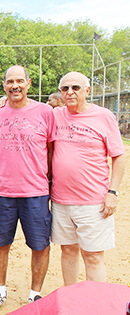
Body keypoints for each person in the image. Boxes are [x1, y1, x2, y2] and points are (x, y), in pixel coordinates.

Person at [0, 65, 55, 314]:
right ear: (4, 85)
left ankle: (35, 294)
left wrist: (46, 179)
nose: (15, 86)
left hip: (36, 191)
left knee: (39, 245)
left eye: (20, 81)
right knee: (1, 243)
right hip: (3, 192)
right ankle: (0, 289)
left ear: (28, 83)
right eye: (10, 82)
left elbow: (52, 149)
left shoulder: (45, 112)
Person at [51, 71, 125, 286]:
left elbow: (119, 156)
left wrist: (112, 193)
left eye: (76, 87)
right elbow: (27, 107)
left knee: (93, 256)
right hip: (61, 201)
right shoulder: (56, 114)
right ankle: (74, 301)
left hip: (93, 202)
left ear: (87, 90)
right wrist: (3, 99)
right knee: (68, 251)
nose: (70, 92)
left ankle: (95, 304)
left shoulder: (103, 116)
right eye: (65, 88)